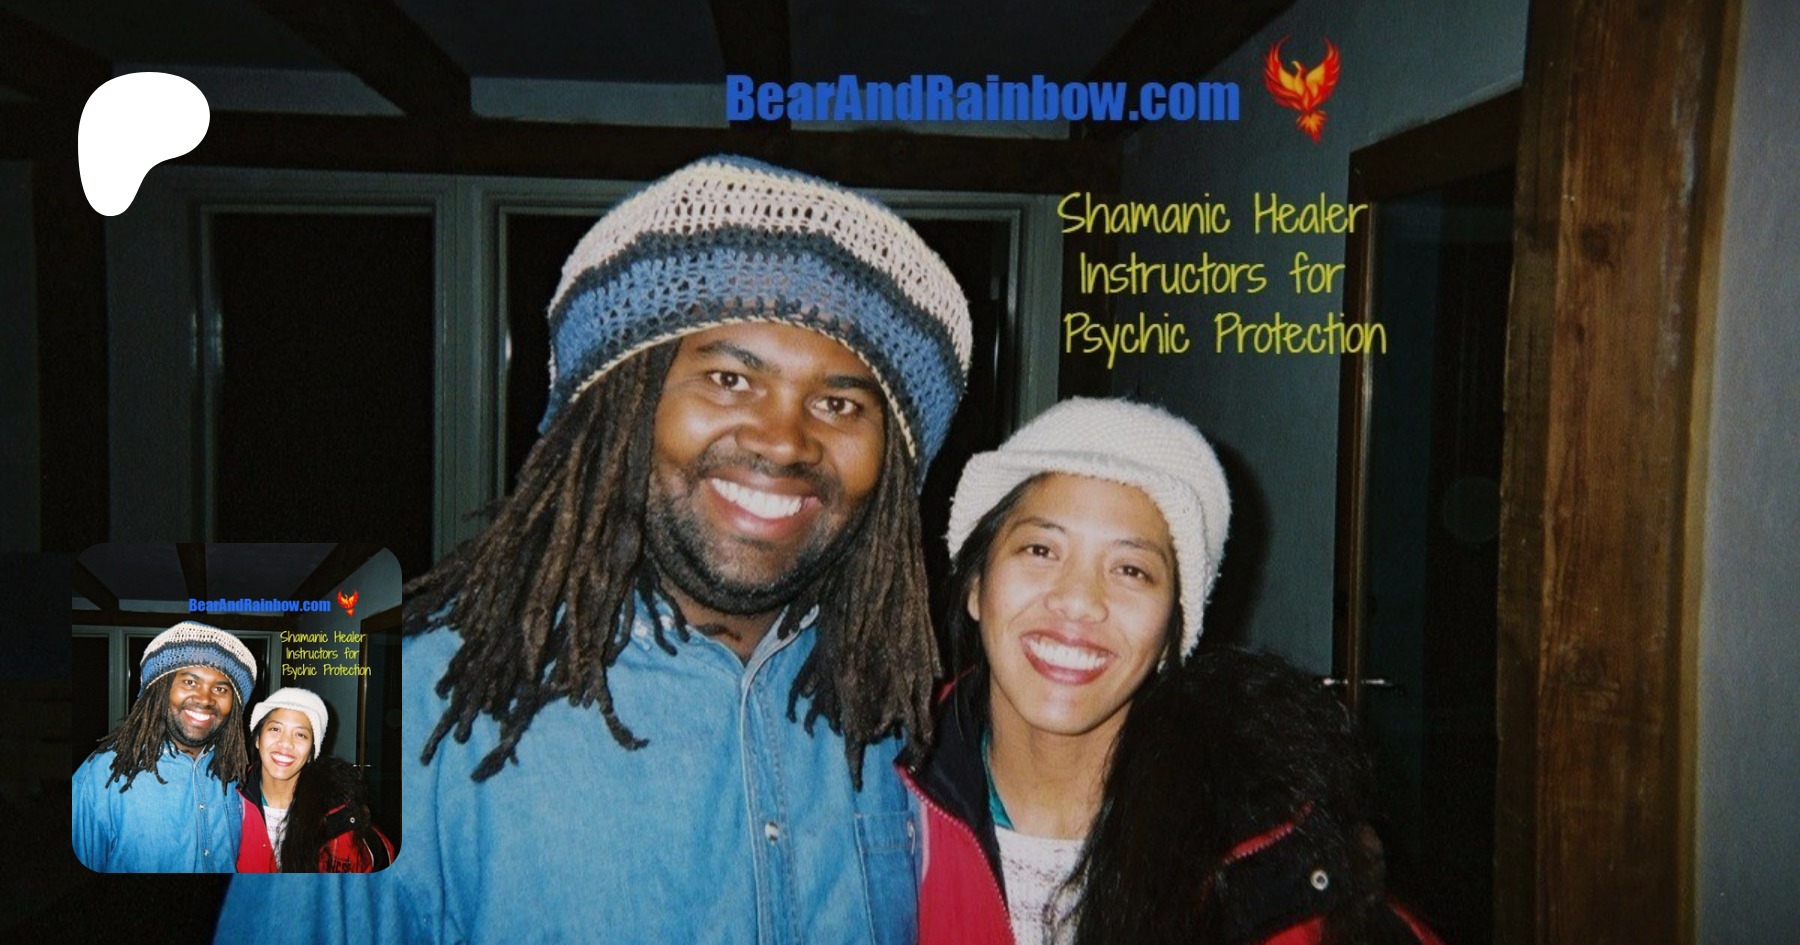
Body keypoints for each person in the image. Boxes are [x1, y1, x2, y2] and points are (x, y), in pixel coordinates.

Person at [217, 155, 972, 942]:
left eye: (840, 403)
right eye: (729, 379)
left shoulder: (896, 711)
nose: (785, 441)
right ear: (618, 403)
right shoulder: (396, 715)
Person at [907, 397, 1439, 945]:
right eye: (1041, 550)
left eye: (1131, 570)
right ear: (976, 585)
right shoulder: (879, 791)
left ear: (1171, 632)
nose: (1079, 601)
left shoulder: (1261, 857)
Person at [71, 620, 256, 872]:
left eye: (220, 688)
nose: (205, 699)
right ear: (159, 688)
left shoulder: (233, 772)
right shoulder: (102, 775)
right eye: (190, 682)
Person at [236, 686, 393, 872]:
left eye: (300, 734)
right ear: (257, 739)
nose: (286, 743)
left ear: (312, 751)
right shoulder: (227, 799)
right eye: (275, 729)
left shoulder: (335, 814)